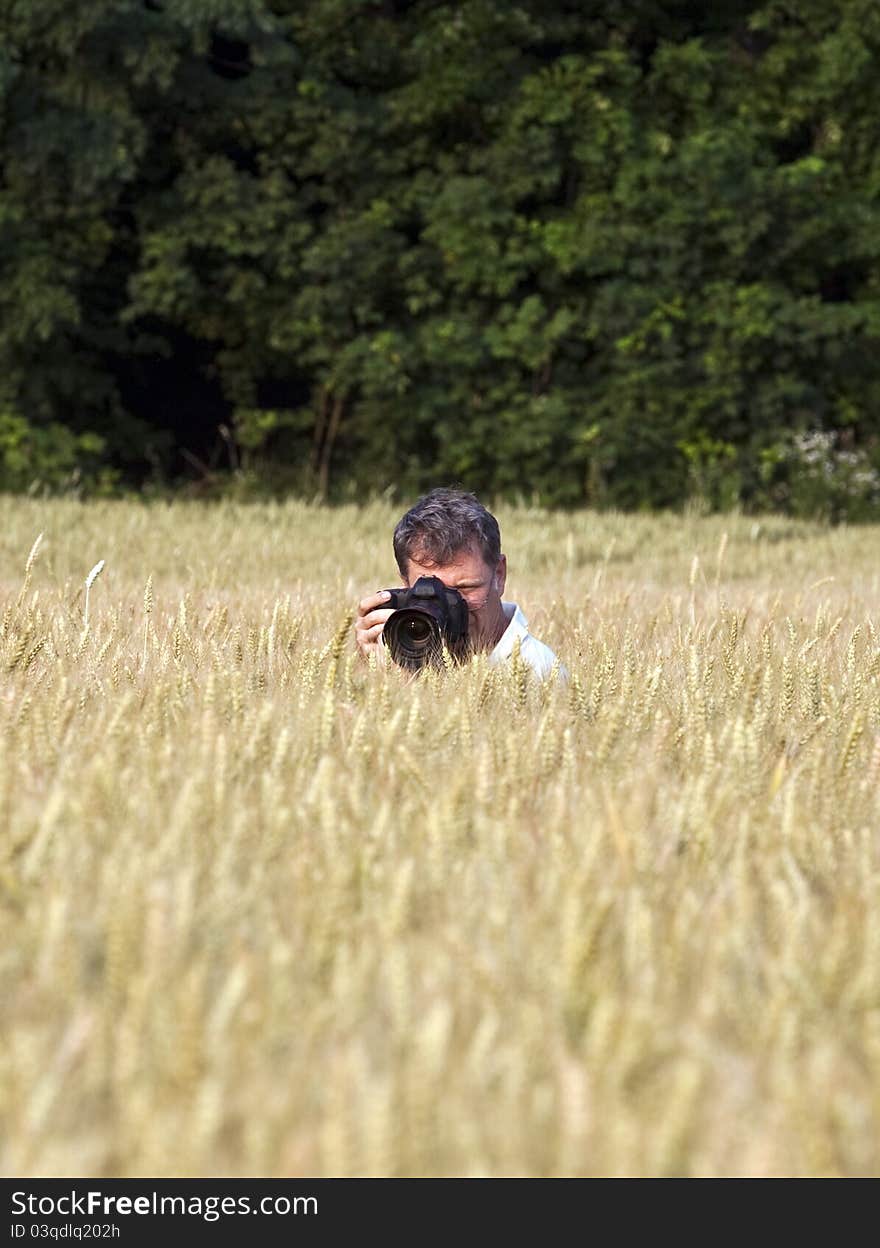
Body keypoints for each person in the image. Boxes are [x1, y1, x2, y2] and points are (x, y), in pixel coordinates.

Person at [355, 487, 564, 679]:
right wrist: (373, 674)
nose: (446, 609)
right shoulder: (394, 664)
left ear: (499, 575)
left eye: (465, 588)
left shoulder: (539, 672)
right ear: (405, 586)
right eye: (428, 593)